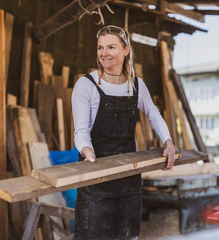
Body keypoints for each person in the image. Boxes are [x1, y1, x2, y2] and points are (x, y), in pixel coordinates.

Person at [72, 25, 175, 240]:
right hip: (96, 178)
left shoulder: (136, 85)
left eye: (111, 47)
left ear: (126, 50)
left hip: (128, 179)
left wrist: (168, 142)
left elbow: (154, 115)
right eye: (100, 47)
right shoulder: (86, 85)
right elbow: (80, 131)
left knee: (129, 236)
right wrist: (87, 151)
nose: (104, 53)